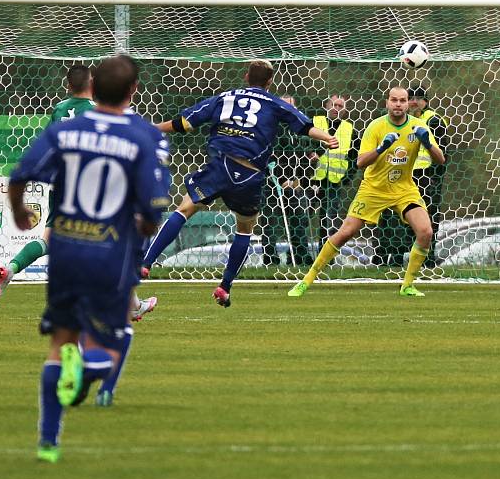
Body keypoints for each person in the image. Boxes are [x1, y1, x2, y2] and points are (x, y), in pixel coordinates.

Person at [7, 55, 171, 462]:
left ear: (91, 88)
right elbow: (153, 212)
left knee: (60, 340)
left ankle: (48, 442)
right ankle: (88, 371)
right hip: (109, 253)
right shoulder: (144, 135)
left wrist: (20, 214)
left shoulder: (67, 130)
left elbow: (20, 177)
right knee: (108, 345)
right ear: (134, 91)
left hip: (64, 247)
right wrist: (139, 231)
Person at [141, 60, 338, 306]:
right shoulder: (274, 102)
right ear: (270, 81)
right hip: (250, 174)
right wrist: (327, 137)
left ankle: (146, 263)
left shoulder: (224, 97)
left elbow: (185, 123)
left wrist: (153, 129)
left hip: (221, 166)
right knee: (244, 228)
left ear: (246, 76)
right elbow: (304, 125)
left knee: (184, 209)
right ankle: (225, 286)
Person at [0, 65, 158, 323]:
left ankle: (11, 269)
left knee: (48, 239)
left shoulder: (58, 109)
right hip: (88, 187)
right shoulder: (96, 112)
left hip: (59, 184)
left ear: (68, 86)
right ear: (93, 85)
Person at [288, 86, 445, 298]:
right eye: (394, 100)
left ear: (407, 104)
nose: (398, 104)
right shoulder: (376, 127)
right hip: (373, 189)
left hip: (404, 189)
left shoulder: (418, 126)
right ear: (387, 103)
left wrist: (427, 142)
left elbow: (440, 159)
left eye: (402, 100)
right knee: (345, 233)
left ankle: (407, 285)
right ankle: (306, 280)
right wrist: (381, 148)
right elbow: (361, 162)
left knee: (425, 231)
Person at [374, 85, 449, 267]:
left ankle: (426, 257)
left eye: (418, 98)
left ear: (425, 101)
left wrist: (434, 179)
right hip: (401, 174)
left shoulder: (434, 121)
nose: (414, 101)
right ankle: (393, 255)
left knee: (426, 217)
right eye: (411, 98)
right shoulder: (400, 120)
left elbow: (442, 153)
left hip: (425, 177)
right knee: (396, 215)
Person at [261, 94, 314, 266]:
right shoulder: (270, 128)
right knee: (270, 224)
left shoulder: (298, 130)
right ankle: (270, 260)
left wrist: (299, 179)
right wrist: (282, 179)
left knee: (299, 221)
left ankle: (300, 257)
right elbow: (270, 155)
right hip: (272, 183)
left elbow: (304, 157)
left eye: (291, 106)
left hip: (295, 183)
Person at [309, 95, 360, 248]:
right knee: (304, 216)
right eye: (334, 105)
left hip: (334, 182)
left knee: (328, 219)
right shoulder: (313, 122)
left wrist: (347, 177)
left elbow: (355, 158)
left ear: (345, 110)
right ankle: (300, 256)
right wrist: (309, 154)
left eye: (340, 106)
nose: (336, 109)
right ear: (326, 105)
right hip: (311, 178)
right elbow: (302, 142)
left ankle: (325, 254)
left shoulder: (350, 129)